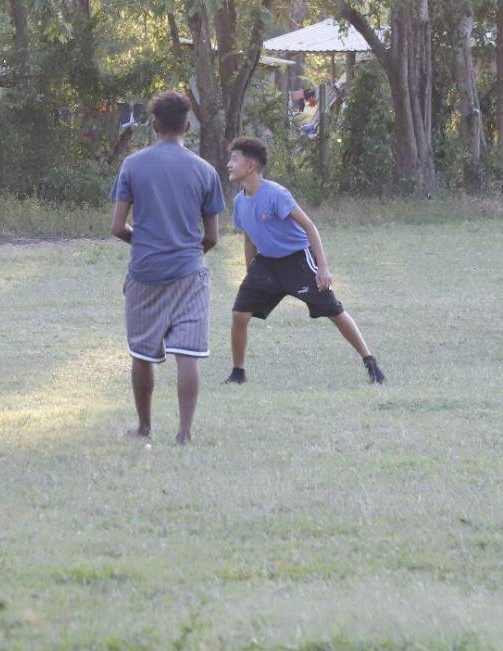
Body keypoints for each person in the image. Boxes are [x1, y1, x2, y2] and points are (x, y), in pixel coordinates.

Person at [110, 91, 224, 444]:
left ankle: (144, 427)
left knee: (142, 353)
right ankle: (184, 433)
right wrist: (187, 251)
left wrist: (145, 244)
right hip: (189, 272)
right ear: (188, 125)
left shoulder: (133, 165)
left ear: (155, 125)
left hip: (144, 274)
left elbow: (117, 227)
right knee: (187, 353)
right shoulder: (205, 171)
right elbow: (212, 237)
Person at [223, 136, 384, 386]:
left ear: (251, 166)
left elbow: (309, 226)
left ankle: (370, 361)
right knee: (239, 314)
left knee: (333, 310)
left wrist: (323, 267)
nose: (228, 165)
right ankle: (238, 373)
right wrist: (250, 272)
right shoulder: (239, 202)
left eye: (234, 159)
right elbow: (249, 239)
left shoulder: (276, 194)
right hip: (265, 265)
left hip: (297, 261)